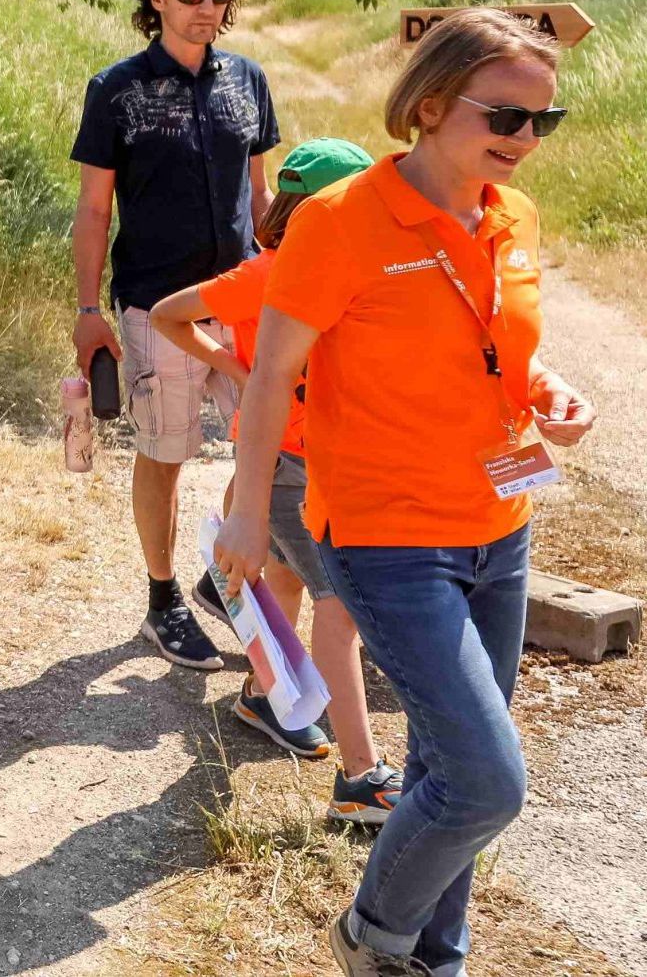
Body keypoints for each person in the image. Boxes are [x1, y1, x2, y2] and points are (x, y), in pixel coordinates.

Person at [215, 9, 594, 977]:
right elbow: (267, 377)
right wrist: (247, 514)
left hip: (497, 528)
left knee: (440, 761)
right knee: (482, 781)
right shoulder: (340, 221)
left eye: (541, 124)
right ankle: (371, 937)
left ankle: (434, 959)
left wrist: (543, 389)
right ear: (428, 105)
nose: (524, 142)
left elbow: (496, 340)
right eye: (506, 118)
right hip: (383, 535)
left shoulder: (512, 219)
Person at [151, 139, 402, 828]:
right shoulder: (270, 274)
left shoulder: (321, 270)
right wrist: (241, 372)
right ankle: (362, 777)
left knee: (288, 583)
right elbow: (166, 312)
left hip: (310, 459)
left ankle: (266, 699)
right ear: (323, 209)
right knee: (340, 609)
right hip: (290, 466)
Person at [70, 0, 278, 672]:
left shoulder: (248, 79)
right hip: (157, 303)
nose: (207, 7)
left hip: (245, 298)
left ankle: (219, 579)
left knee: (276, 439)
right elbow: (95, 209)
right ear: (155, 0)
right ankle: (164, 600)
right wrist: (88, 308)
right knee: (166, 452)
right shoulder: (116, 89)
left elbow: (260, 193)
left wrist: (278, 276)